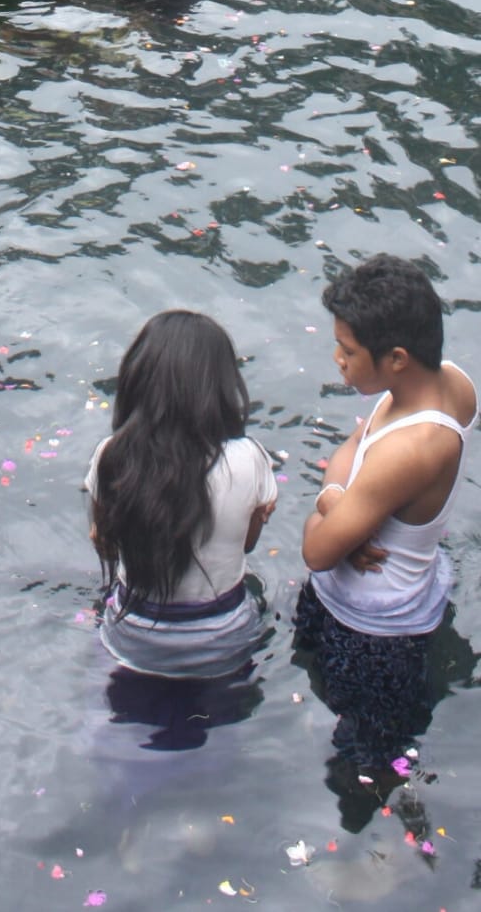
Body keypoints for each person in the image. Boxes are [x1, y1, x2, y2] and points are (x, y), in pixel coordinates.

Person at [296, 255, 477, 764]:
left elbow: (317, 550)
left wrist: (334, 523)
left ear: (396, 358)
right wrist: (334, 500)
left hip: (371, 628)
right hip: (408, 589)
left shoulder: (412, 449)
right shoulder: (449, 383)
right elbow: (354, 446)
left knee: (363, 751)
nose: (338, 358)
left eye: (348, 350)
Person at [86, 310, 277, 678]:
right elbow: (248, 545)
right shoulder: (249, 458)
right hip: (223, 635)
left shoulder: (112, 455)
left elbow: (106, 545)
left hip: (135, 633)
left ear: (136, 380)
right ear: (221, 385)